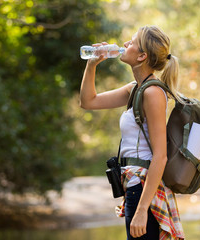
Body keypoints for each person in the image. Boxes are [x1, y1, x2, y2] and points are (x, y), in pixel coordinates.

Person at [79, 26, 185, 239]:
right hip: (134, 187)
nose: (125, 43)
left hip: (144, 190)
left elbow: (160, 156)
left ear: (142, 56)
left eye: (132, 41)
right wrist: (92, 65)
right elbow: (88, 102)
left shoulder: (153, 93)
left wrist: (142, 210)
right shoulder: (135, 89)